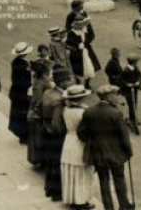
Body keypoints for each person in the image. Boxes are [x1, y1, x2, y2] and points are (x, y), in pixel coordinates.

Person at [77, 85, 134, 210]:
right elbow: (124, 136)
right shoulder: (116, 113)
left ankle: (109, 207)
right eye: (115, 94)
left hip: (98, 153)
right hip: (116, 154)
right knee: (119, 180)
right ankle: (124, 206)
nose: (117, 97)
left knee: (104, 181)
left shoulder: (89, 112)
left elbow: (81, 132)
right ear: (109, 97)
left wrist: (93, 140)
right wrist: (129, 152)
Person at [36, 65, 73, 202]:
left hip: (45, 130)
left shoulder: (47, 93)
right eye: (68, 80)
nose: (70, 82)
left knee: (50, 161)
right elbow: (57, 124)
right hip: (56, 135)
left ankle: (49, 189)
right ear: (62, 81)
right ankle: (57, 192)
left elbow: (37, 109)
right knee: (57, 163)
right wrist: (64, 132)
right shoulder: (59, 99)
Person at [61, 85, 95, 210]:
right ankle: (81, 200)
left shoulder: (65, 110)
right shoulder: (82, 113)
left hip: (68, 140)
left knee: (71, 170)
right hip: (79, 143)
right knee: (81, 172)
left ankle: (71, 198)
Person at [27, 60, 53, 168]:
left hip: (40, 111)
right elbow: (37, 99)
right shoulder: (40, 82)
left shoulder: (40, 80)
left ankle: (40, 159)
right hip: (40, 113)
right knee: (39, 138)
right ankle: (41, 160)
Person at [8, 41, 34, 144]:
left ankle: (21, 134)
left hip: (16, 92)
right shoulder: (24, 65)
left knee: (17, 114)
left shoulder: (15, 62)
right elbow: (26, 81)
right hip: (22, 93)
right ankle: (24, 135)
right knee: (23, 114)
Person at [66, 15, 101, 88]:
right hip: (77, 54)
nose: (82, 26)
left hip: (86, 51)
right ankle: (78, 84)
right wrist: (77, 45)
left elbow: (91, 37)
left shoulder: (84, 30)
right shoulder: (71, 33)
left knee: (90, 67)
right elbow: (68, 43)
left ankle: (87, 84)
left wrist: (85, 43)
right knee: (77, 70)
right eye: (79, 25)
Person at [120, 54, 141, 135]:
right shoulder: (125, 70)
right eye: (137, 62)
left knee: (135, 103)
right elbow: (121, 80)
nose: (137, 63)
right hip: (128, 91)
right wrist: (127, 84)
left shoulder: (136, 68)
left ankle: (133, 117)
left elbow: (140, 76)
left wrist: (138, 82)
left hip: (134, 89)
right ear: (133, 63)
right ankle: (132, 120)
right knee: (131, 105)